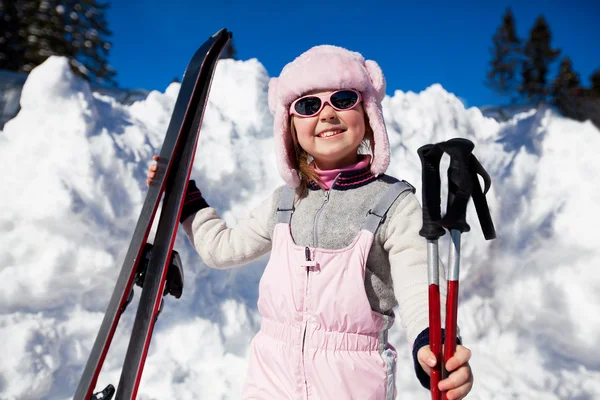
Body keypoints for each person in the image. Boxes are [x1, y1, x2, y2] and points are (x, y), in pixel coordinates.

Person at [146, 45, 473, 400]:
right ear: (290, 129)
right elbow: (221, 248)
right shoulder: (285, 201)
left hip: (351, 385)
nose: (327, 113)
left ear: (368, 115)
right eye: (307, 105)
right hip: (269, 382)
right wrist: (186, 198)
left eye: (343, 99)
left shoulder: (394, 204)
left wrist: (432, 343)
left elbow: (419, 284)